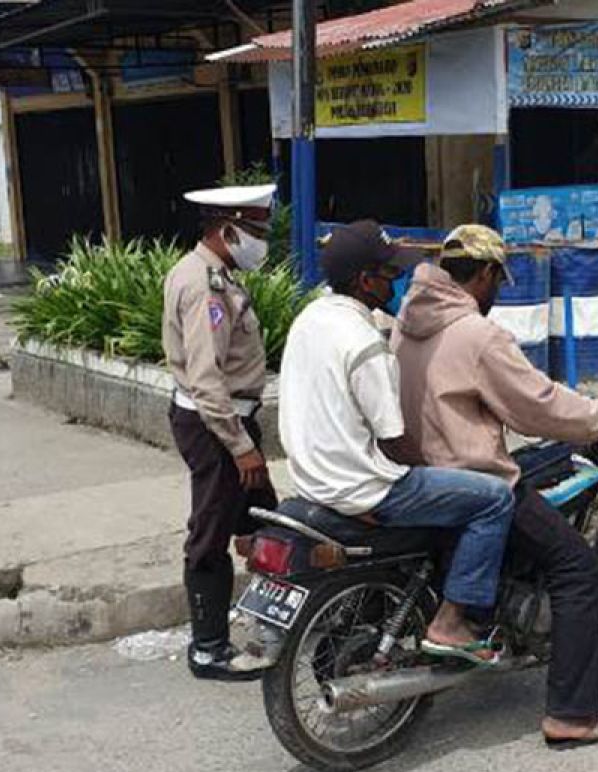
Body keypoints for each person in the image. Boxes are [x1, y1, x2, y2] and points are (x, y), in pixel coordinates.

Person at [390, 223, 598, 747]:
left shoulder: (407, 322)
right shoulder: (477, 335)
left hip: (421, 477)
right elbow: (538, 406)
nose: (498, 291)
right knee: (576, 566)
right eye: (497, 280)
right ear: (483, 275)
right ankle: (572, 715)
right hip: (473, 481)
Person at [278, 220, 515, 662]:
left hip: (312, 480)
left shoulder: (309, 319)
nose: (397, 281)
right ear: (365, 281)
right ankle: (451, 623)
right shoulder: (364, 342)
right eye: (389, 274)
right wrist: (441, 469)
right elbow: (394, 440)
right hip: (365, 489)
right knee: (493, 498)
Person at [163, 183, 279, 681]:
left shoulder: (217, 276)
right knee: (211, 530)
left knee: (263, 520)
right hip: (216, 426)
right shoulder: (202, 285)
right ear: (227, 228)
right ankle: (208, 647)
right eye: (255, 231)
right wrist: (241, 446)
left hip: (228, 420)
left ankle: (273, 619)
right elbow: (207, 377)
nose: (261, 241)